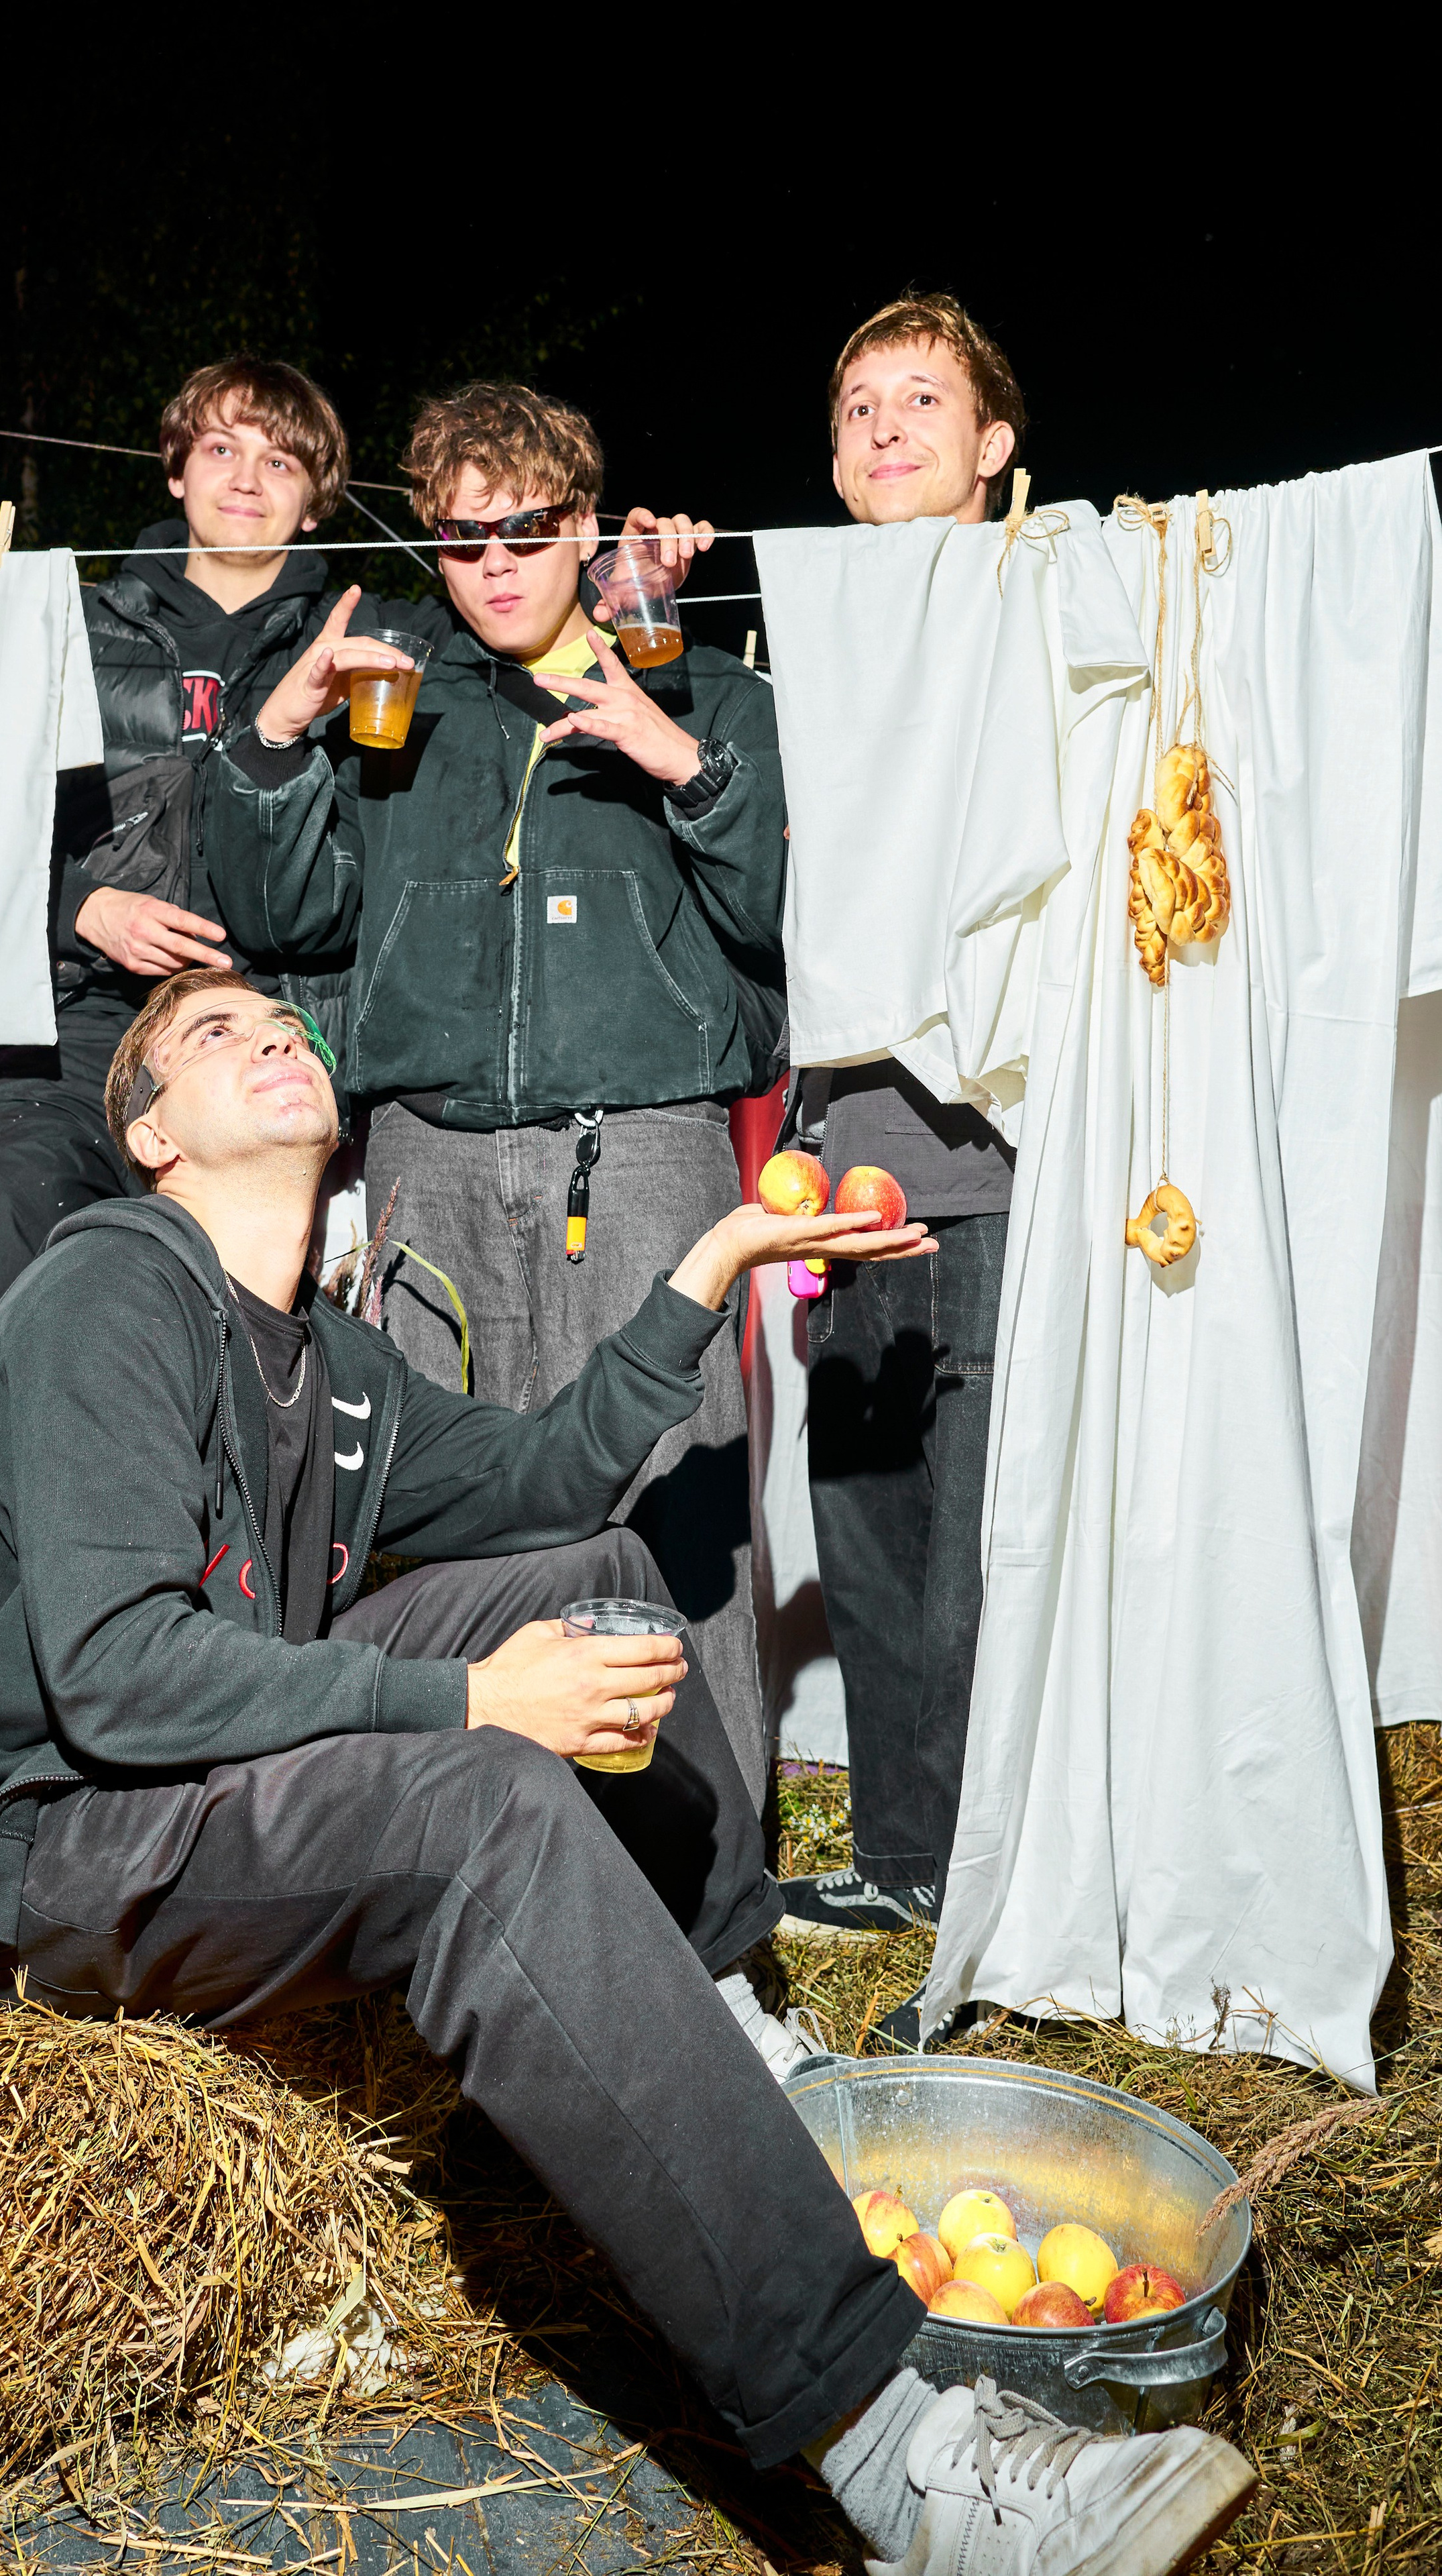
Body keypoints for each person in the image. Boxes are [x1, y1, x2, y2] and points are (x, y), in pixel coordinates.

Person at [0, 967, 1251, 2576]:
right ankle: (910, 2465)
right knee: (482, 1798)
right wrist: (466, 1701)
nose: (275, 1035)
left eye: (285, 1024)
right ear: (152, 1135)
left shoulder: (329, 1360)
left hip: (176, 1761)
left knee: (596, 1578)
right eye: (214, 1035)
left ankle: (726, 2028)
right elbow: (116, 1675)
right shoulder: (108, 1295)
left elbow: (545, 1476)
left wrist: (708, 1268)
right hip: (22, 1839)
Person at [209, 380, 783, 1794]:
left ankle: (710, 1879)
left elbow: (786, 915)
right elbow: (284, 919)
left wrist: (678, 760)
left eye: (527, 532)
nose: (495, 566)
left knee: (671, 1505)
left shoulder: (702, 684)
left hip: (642, 1154)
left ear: (584, 525)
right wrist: (276, 742)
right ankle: (470, 1847)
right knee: (447, 1524)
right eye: (463, 540)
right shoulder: (395, 702)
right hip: (432, 1156)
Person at [0, 353, 430, 1479]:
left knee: (237, 1325)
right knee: (15, 1211)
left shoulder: (373, 645)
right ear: (176, 469)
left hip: (272, 1022)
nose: (247, 478)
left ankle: (213, 1569)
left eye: (281, 462)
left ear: (319, 498)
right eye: (222, 449)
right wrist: (82, 908)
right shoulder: (67, 628)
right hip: (79, 1029)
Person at [778, 295, 1025, 1953]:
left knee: (976, 1543)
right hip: (845, 1166)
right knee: (866, 1522)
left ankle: (990, 1874)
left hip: (990, 1167)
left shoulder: (1039, 601)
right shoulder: (812, 648)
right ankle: (900, 1857)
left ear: (991, 444)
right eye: (857, 406)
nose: (881, 427)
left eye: (920, 400)